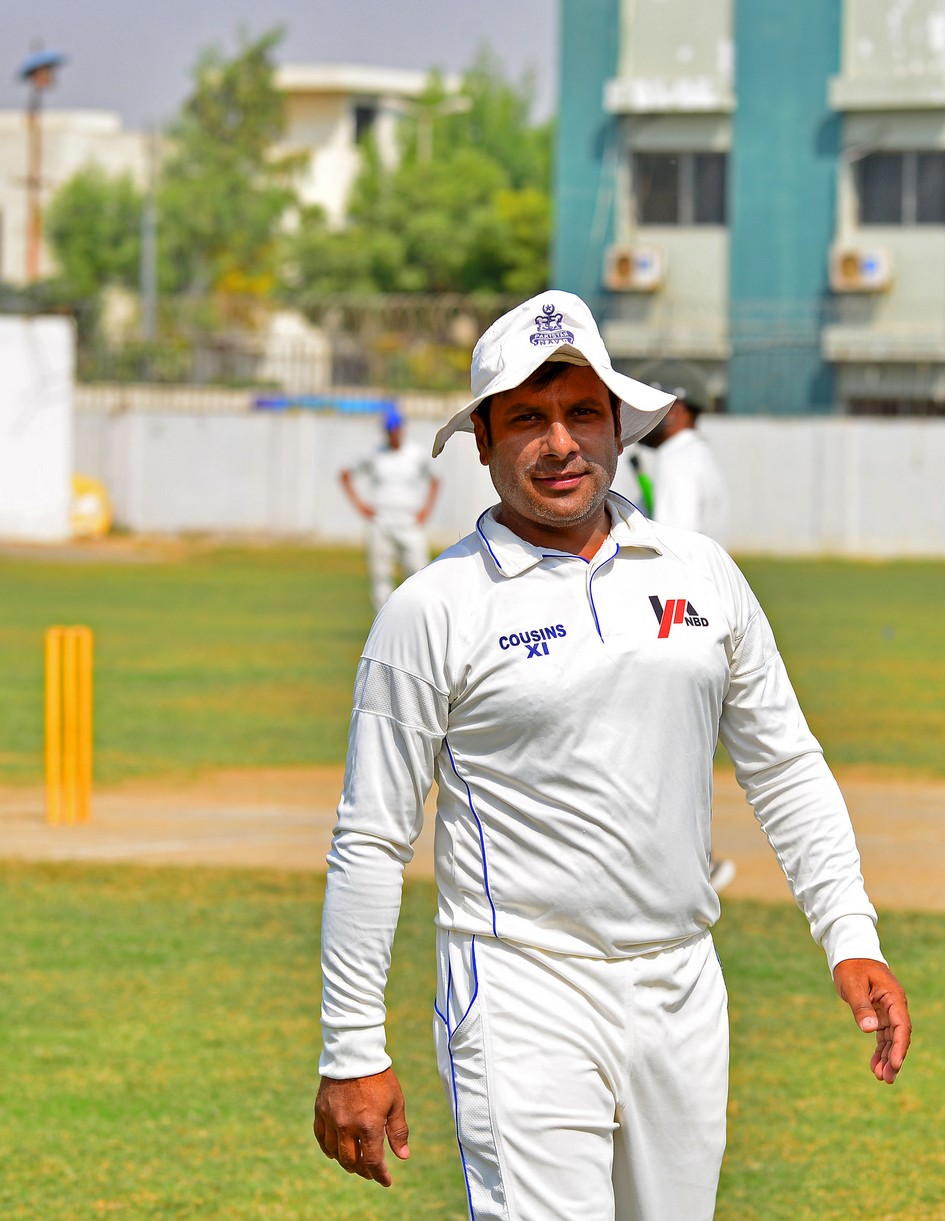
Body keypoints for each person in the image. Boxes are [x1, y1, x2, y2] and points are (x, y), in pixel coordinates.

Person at [313, 292, 911, 1221]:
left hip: (682, 983)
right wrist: (353, 1043)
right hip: (520, 988)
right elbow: (371, 836)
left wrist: (850, 932)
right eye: (527, 418)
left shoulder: (701, 573)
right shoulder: (433, 608)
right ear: (483, 438)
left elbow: (785, 764)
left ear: (618, 425)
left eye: (582, 413)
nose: (560, 443)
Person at [634, 359, 736, 891]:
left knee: (653, 755)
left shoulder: (675, 464)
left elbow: (666, 555)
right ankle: (693, 861)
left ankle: (691, 866)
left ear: (674, 409)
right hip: (698, 621)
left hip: (669, 621)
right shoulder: (699, 459)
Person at [339, 406, 440, 613]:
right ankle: (382, 620)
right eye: (389, 430)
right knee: (381, 574)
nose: (393, 433)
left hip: (409, 519)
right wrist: (360, 506)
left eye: (396, 429)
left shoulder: (416, 453)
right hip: (381, 520)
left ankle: (416, 617)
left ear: (402, 428)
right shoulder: (374, 453)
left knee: (419, 570)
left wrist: (426, 510)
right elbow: (345, 475)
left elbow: (435, 480)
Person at [633, 359, 730, 546]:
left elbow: (673, 549)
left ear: (673, 411)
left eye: (645, 407)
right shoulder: (694, 455)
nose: (636, 415)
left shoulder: (677, 462)